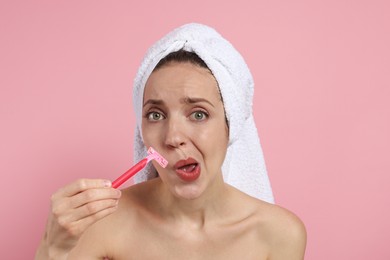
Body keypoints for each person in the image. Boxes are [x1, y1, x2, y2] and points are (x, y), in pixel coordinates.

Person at [36, 23, 306, 259]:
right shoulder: (103, 222)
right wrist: (54, 250)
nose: (173, 137)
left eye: (198, 114)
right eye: (155, 114)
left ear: (230, 125)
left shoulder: (280, 234)